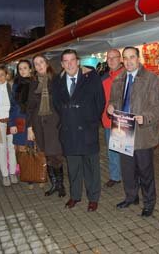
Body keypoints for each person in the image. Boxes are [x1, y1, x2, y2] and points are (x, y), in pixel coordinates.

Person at [108, 46, 159, 217]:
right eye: (125, 58)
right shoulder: (118, 79)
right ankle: (131, 197)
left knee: (145, 171)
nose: (128, 61)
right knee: (127, 169)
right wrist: (111, 107)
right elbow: (114, 101)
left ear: (138, 58)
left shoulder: (151, 79)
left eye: (132, 57)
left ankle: (149, 202)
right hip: (123, 131)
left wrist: (145, 116)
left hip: (142, 133)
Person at [52, 49, 105, 212]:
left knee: (91, 167)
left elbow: (100, 101)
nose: (69, 64)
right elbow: (56, 105)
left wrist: (90, 120)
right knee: (73, 167)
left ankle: (93, 198)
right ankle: (75, 196)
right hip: (69, 130)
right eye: (65, 61)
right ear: (62, 65)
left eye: (72, 60)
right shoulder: (57, 81)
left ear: (78, 61)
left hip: (87, 129)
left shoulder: (91, 78)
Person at [27, 54, 65, 197]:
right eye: (36, 64)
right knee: (47, 155)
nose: (39, 65)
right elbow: (30, 107)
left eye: (41, 62)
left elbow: (62, 102)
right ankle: (54, 184)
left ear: (47, 63)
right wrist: (29, 127)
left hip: (55, 124)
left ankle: (61, 185)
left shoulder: (56, 80)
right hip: (39, 124)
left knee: (56, 155)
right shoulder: (33, 83)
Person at [8, 60, 35, 188]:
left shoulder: (36, 83)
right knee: (21, 150)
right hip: (19, 120)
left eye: (25, 68)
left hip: (33, 120)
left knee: (34, 148)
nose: (23, 71)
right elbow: (13, 105)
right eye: (20, 69)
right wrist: (11, 123)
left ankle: (37, 173)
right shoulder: (16, 85)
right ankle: (28, 175)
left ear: (30, 69)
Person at [101, 49, 124, 187]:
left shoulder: (126, 75)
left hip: (123, 121)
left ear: (120, 59)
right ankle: (115, 176)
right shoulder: (104, 78)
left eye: (114, 57)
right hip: (107, 120)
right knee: (112, 151)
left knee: (125, 152)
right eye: (108, 58)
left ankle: (128, 177)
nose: (111, 60)